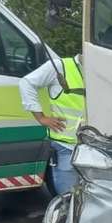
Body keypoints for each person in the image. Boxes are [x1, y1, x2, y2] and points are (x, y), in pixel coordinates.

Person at [19, 53, 85, 194]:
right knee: (69, 200)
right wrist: (41, 117)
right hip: (66, 147)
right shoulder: (60, 67)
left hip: (93, 148)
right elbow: (26, 83)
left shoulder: (100, 73)